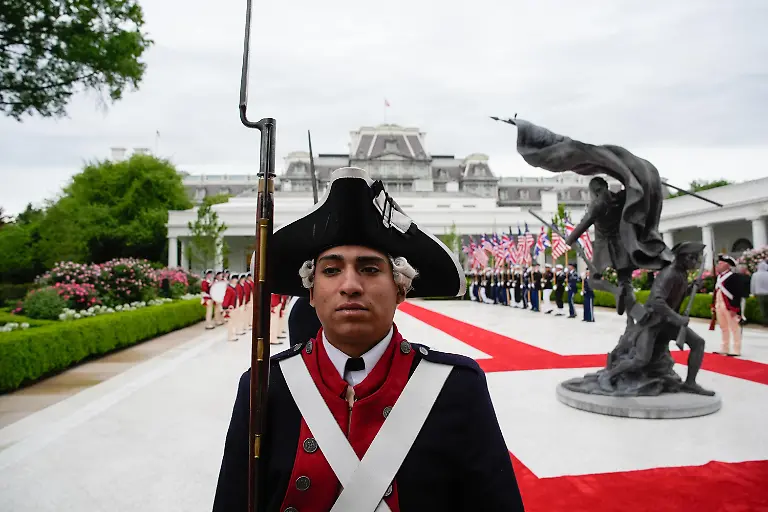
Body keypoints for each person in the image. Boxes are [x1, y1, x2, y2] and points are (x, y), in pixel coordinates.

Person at [213, 167, 525, 512]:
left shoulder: (456, 386)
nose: (350, 285)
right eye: (331, 270)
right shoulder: (264, 386)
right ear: (311, 292)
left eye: (370, 269)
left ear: (400, 289)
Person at [597, 242, 713, 395]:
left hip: (667, 322)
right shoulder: (669, 273)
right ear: (684, 258)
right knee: (641, 360)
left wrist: (691, 287)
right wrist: (677, 318)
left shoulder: (681, 273)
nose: (696, 262)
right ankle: (608, 375)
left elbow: (675, 296)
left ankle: (690, 383)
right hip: (653, 322)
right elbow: (657, 301)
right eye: (693, 258)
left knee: (698, 343)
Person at [713, 255, 746, 356]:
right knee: (724, 328)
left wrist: (735, 308)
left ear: (727, 265)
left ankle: (736, 349)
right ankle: (725, 348)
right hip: (719, 305)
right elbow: (716, 292)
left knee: (734, 328)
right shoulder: (719, 277)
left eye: (721, 263)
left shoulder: (734, 277)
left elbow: (737, 294)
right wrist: (714, 305)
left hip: (729, 306)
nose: (718, 265)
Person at [221, 273, 240, 342]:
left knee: (233, 322)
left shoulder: (234, 288)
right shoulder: (229, 288)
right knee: (230, 323)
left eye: (236, 278)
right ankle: (230, 336)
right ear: (231, 279)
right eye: (234, 278)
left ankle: (232, 335)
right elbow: (226, 299)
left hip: (233, 308)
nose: (236, 280)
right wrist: (225, 308)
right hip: (230, 309)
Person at [751, 261, 768, 327]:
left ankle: (765, 322)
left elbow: (753, 285)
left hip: (759, 293)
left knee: (762, 309)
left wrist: (753, 293)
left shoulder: (755, 275)